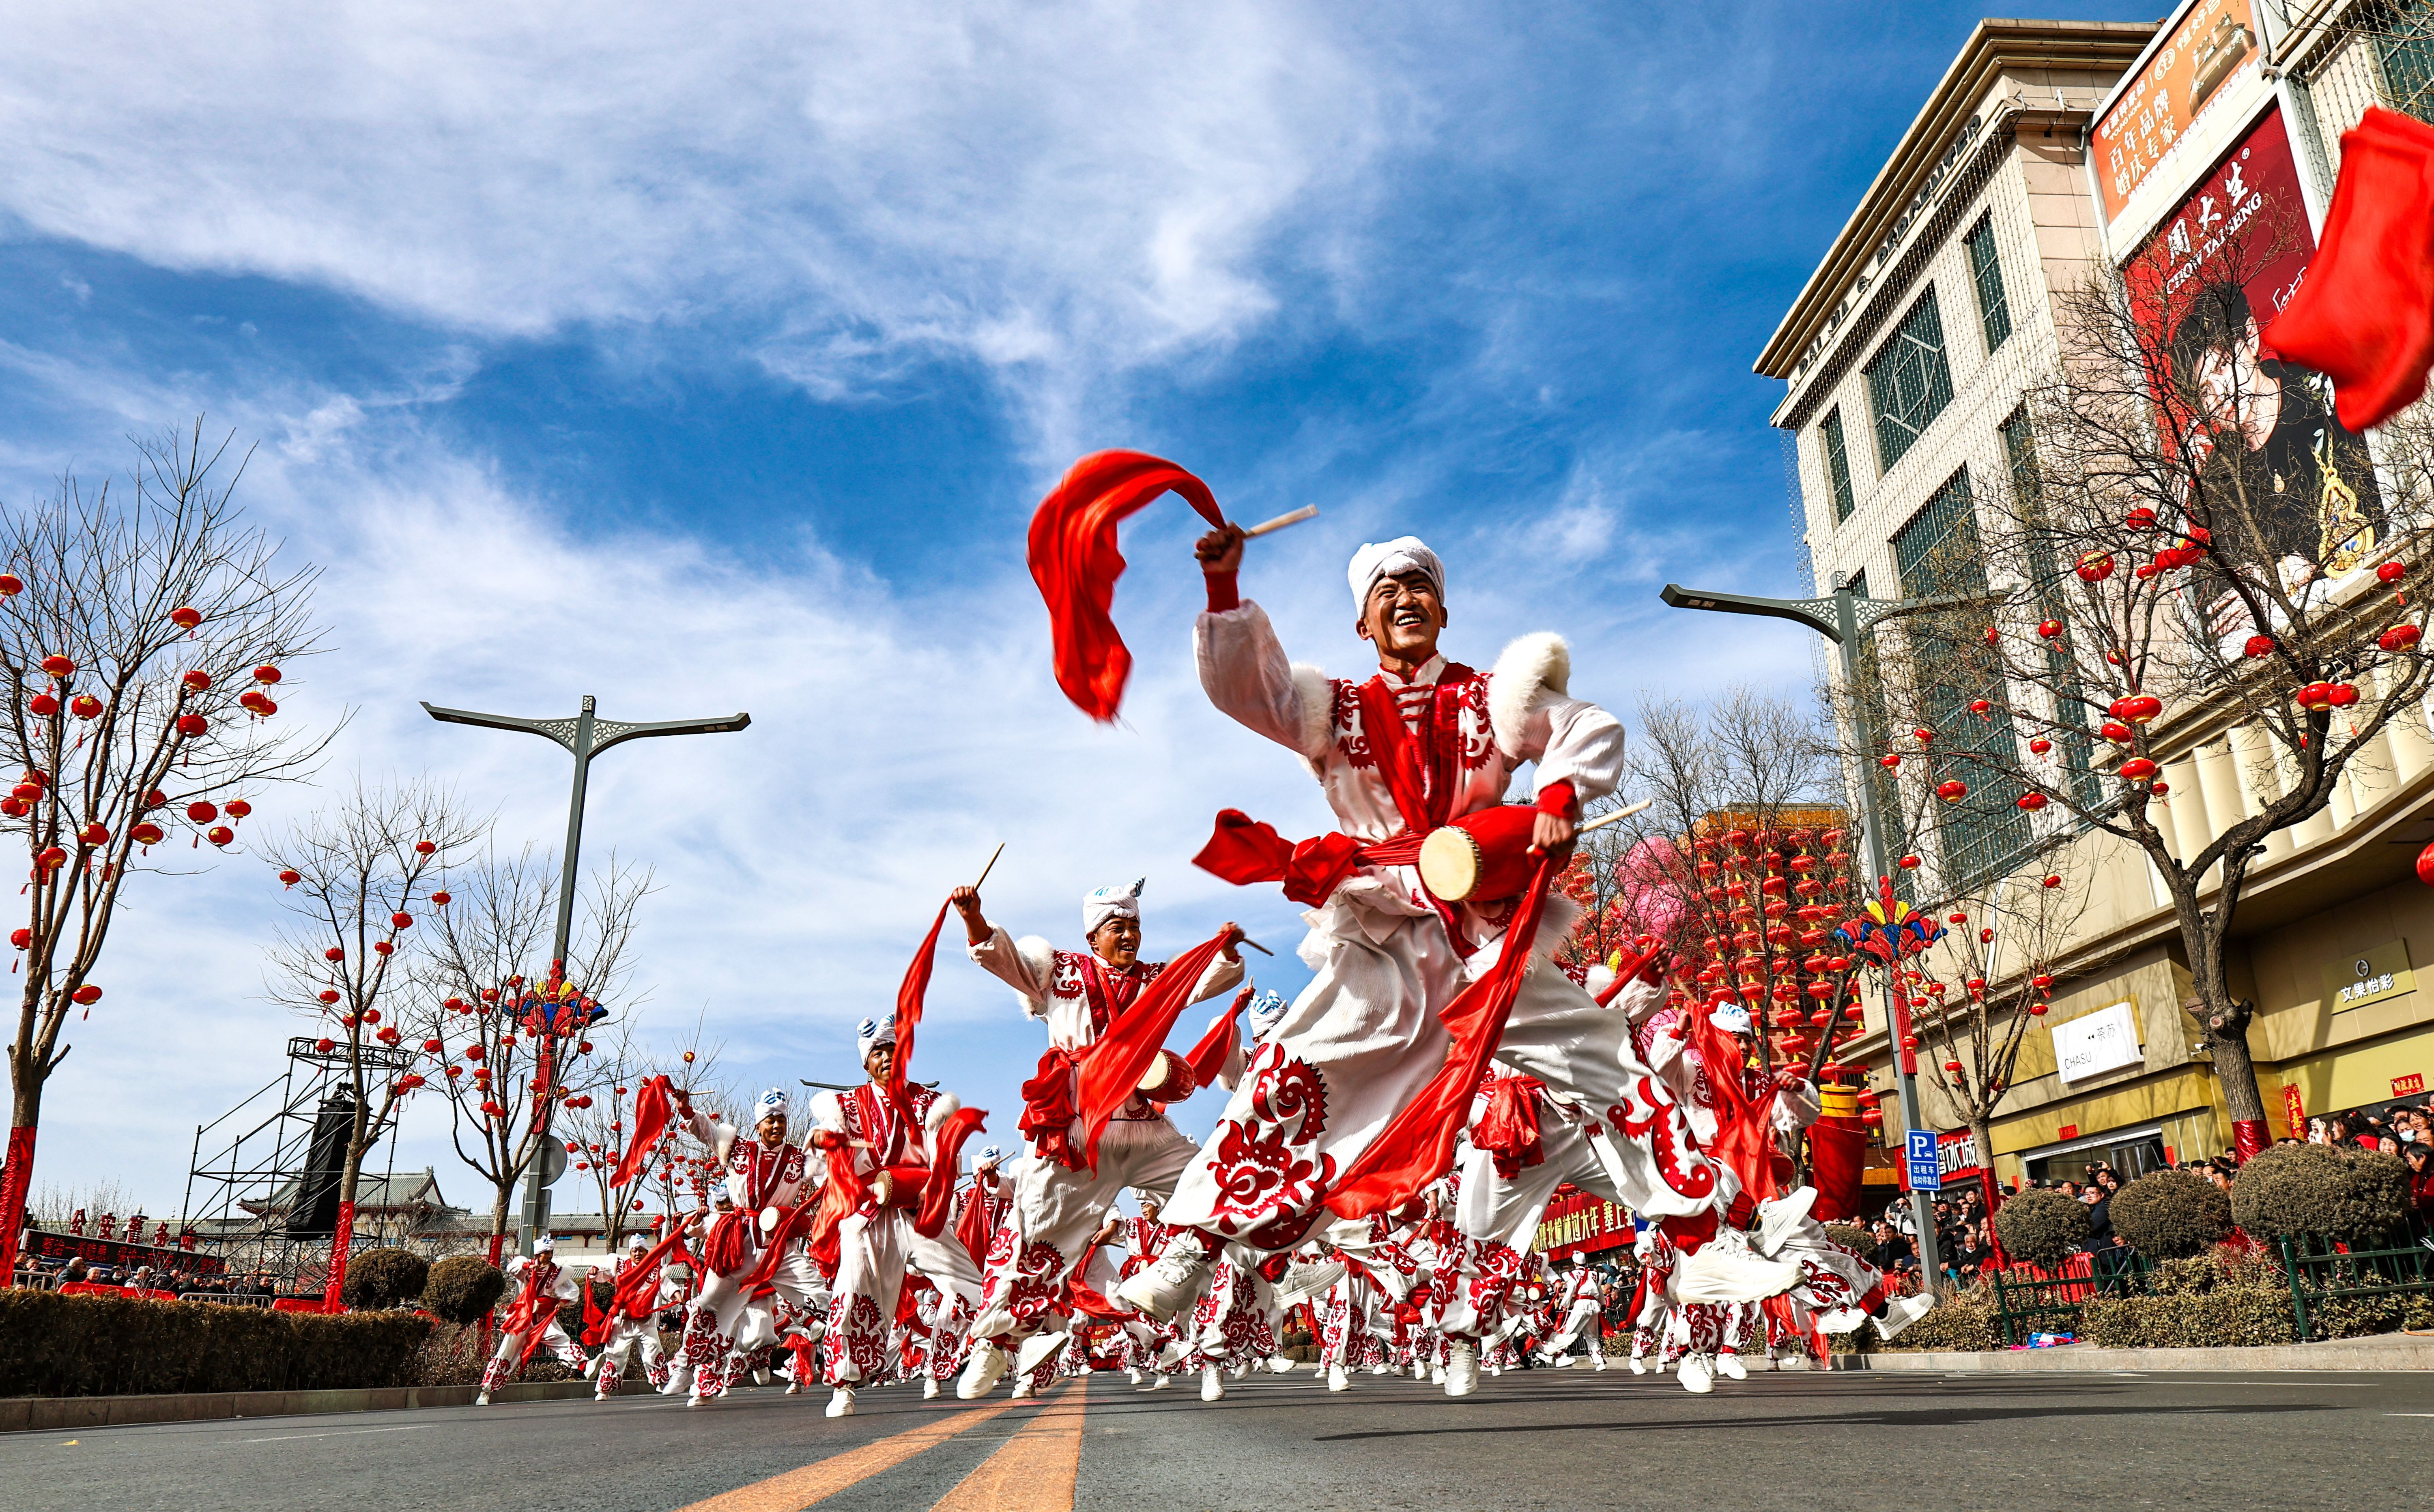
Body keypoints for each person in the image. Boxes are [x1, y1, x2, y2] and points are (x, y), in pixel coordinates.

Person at [1127, 530, 1727, 1321]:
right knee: (1292, 1072)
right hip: (1385, 933)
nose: (1405, 598)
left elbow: (1587, 727)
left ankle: (1710, 1239)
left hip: (1484, 934)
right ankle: (1193, 1243)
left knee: (1605, 1063)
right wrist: (1223, 589)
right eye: (1387, 591)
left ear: (1443, 611)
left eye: (1419, 586)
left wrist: (1556, 795)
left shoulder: (1491, 699)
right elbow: (1248, 691)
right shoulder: (1332, 711)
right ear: (1363, 624)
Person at [950, 877, 1244, 1398]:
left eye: (1134, 925)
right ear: (1093, 937)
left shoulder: (1155, 979)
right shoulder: (1059, 970)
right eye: (1117, 927)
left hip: (1144, 1128)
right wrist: (974, 916)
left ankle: (1171, 1273)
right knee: (1035, 1237)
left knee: (1218, 1182)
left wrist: (1225, 950)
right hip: (1078, 1130)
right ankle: (996, 1342)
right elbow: (1006, 961)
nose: (1129, 934)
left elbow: (1199, 979)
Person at [805, 1017, 985, 1418]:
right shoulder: (846, 1107)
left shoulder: (926, 1103)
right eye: (878, 1053)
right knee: (852, 1288)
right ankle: (844, 1385)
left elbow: (947, 1155)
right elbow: (820, 1161)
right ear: (866, 1063)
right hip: (868, 1213)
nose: (887, 1058)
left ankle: (998, 1343)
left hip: (917, 1209)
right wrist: (822, 1143)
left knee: (966, 1279)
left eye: (893, 1050)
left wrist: (931, 1172)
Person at [475, 1235, 589, 1406]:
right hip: (524, 1316)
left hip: (544, 1317)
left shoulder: (557, 1272)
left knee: (561, 1340)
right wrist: (529, 1266)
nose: (549, 1256)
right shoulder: (527, 1268)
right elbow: (512, 1268)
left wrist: (563, 1301)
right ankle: (486, 1391)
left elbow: (571, 1289)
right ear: (538, 1255)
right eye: (546, 1253)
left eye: (551, 1252)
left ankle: (585, 1366)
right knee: (506, 1353)